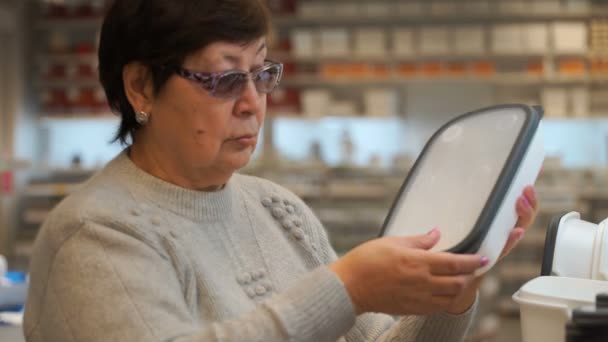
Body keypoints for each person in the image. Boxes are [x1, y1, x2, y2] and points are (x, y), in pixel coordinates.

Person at [23, 1, 539, 341]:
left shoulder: (276, 207)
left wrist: (456, 283)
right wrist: (346, 289)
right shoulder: (94, 235)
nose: (253, 103)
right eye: (225, 78)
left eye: (261, 73)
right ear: (140, 87)